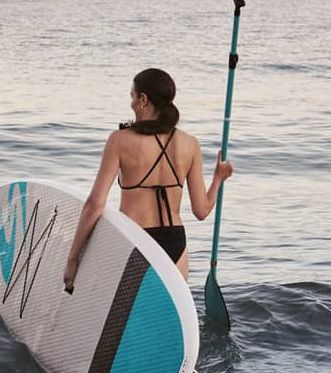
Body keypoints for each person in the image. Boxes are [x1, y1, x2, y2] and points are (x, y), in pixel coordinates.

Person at [63, 68, 234, 292]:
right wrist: (218, 179)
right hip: (175, 243)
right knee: (168, 320)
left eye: (132, 96)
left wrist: (73, 259)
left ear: (143, 100)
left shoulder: (119, 140)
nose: (131, 103)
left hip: (136, 239)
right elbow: (201, 211)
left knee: (131, 317)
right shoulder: (190, 143)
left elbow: (95, 204)